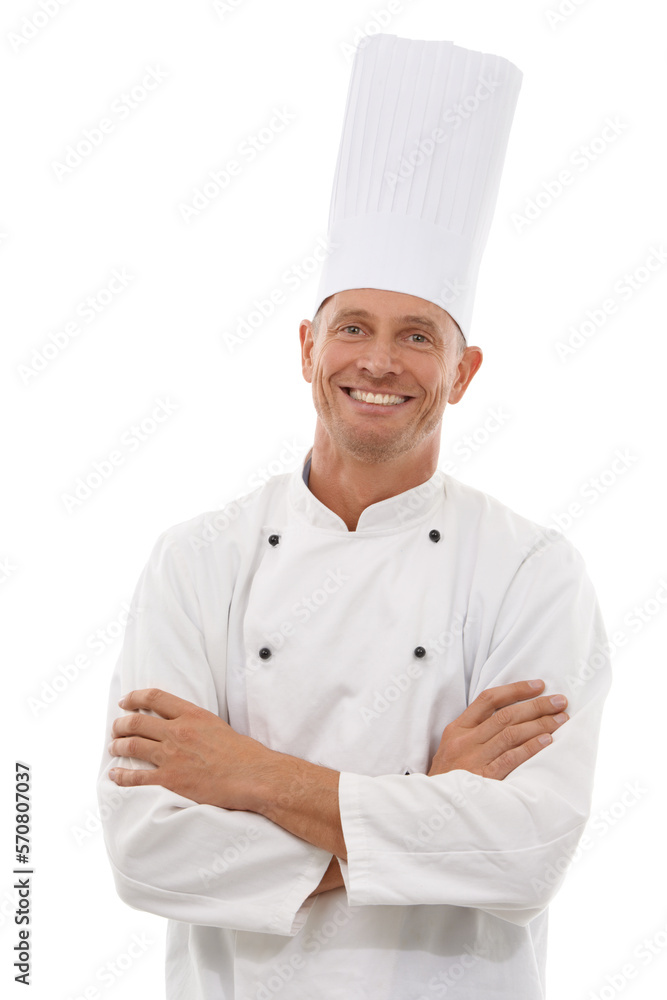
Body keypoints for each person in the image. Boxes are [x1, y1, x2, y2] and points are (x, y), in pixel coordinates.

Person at [97, 34, 611, 999]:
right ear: (305, 347)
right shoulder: (196, 562)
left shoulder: (532, 569)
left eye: (418, 335)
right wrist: (426, 811)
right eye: (353, 329)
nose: (379, 364)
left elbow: (525, 853)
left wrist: (244, 773)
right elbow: (145, 851)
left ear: (462, 374)